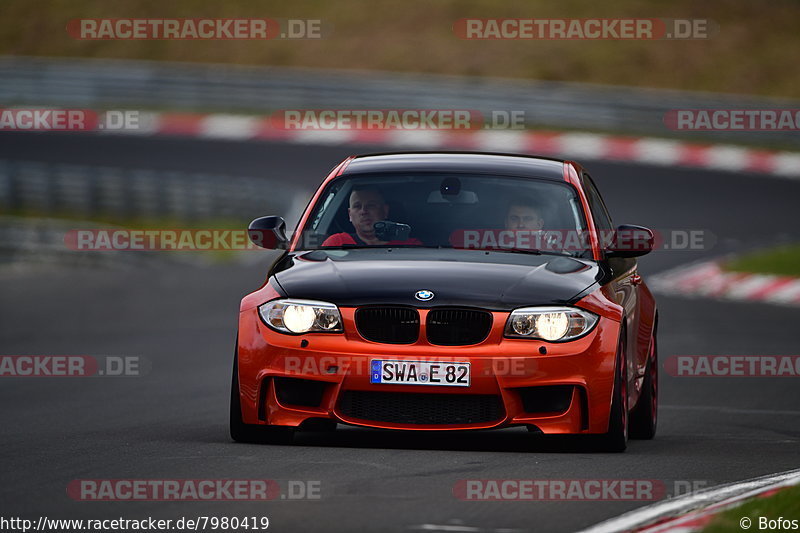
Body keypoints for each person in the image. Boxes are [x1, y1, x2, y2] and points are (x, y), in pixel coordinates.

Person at [321, 187, 422, 246]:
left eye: (371, 205)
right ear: (350, 215)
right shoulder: (336, 244)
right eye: (357, 206)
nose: (363, 211)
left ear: (385, 211)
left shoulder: (409, 246)